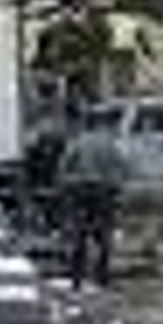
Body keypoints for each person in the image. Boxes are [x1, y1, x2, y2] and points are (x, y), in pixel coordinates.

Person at [56, 117, 128, 288]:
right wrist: (116, 189)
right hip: (104, 191)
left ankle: (76, 278)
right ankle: (102, 276)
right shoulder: (110, 144)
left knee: (78, 234)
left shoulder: (77, 142)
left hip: (79, 191)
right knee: (104, 235)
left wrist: (64, 185)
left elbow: (64, 165)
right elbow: (122, 167)